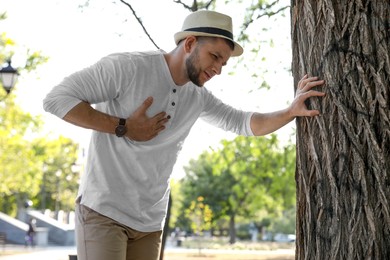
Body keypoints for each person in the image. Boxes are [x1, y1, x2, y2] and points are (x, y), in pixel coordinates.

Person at [43, 10, 325, 260]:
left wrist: (290, 111)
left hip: (150, 223)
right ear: (190, 43)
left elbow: (245, 122)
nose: (217, 69)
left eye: (223, 63)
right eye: (214, 57)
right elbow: (57, 99)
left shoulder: (198, 97)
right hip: (104, 211)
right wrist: (125, 126)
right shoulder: (127, 68)